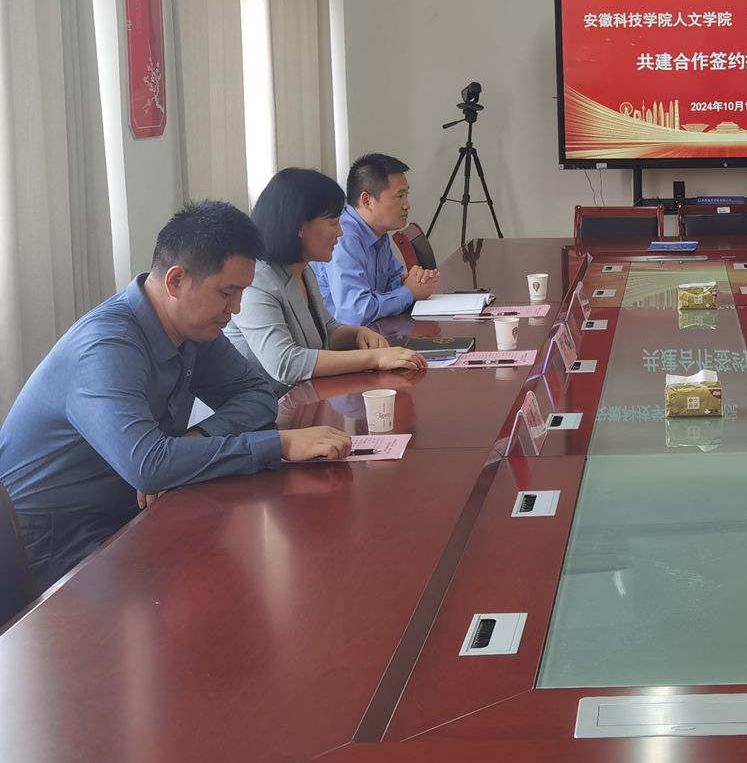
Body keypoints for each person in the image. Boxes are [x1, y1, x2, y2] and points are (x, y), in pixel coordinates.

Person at [0, 201, 353, 591]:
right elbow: (148, 466)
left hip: (131, 511)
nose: (235, 309)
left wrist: (195, 438)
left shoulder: (193, 328)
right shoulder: (106, 346)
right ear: (176, 281)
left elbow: (257, 394)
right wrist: (279, 444)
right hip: (53, 541)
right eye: (228, 293)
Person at [225, 168, 427, 391]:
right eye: (333, 223)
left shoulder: (303, 270)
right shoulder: (256, 280)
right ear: (299, 226)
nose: (340, 232)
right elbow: (286, 364)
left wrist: (357, 334)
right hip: (255, 408)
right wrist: (374, 358)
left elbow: (327, 329)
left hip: (298, 398)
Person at [314, 152, 440, 326]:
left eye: (406, 195)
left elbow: (391, 282)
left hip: (373, 332)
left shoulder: (377, 232)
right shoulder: (344, 238)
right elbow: (354, 313)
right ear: (366, 200)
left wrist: (413, 280)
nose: (407, 205)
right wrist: (409, 292)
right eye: (400, 196)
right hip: (340, 339)